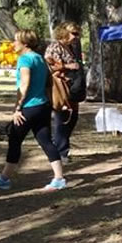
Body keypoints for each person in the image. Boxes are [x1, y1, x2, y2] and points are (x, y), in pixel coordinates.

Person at [0, 29, 67, 191]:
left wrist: (18, 108)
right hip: (43, 106)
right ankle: (59, 178)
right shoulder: (39, 59)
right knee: (46, 141)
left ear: (25, 43)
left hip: (29, 107)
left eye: (15, 41)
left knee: (14, 140)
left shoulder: (25, 60)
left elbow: (24, 85)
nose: (13, 44)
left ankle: (4, 178)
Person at [45, 23, 81, 164]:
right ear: (63, 32)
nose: (76, 37)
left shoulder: (71, 48)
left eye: (77, 33)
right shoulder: (54, 47)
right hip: (60, 87)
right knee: (62, 119)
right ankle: (61, 152)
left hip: (72, 87)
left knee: (72, 118)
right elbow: (49, 65)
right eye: (73, 33)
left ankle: (60, 147)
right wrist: (67, 66)